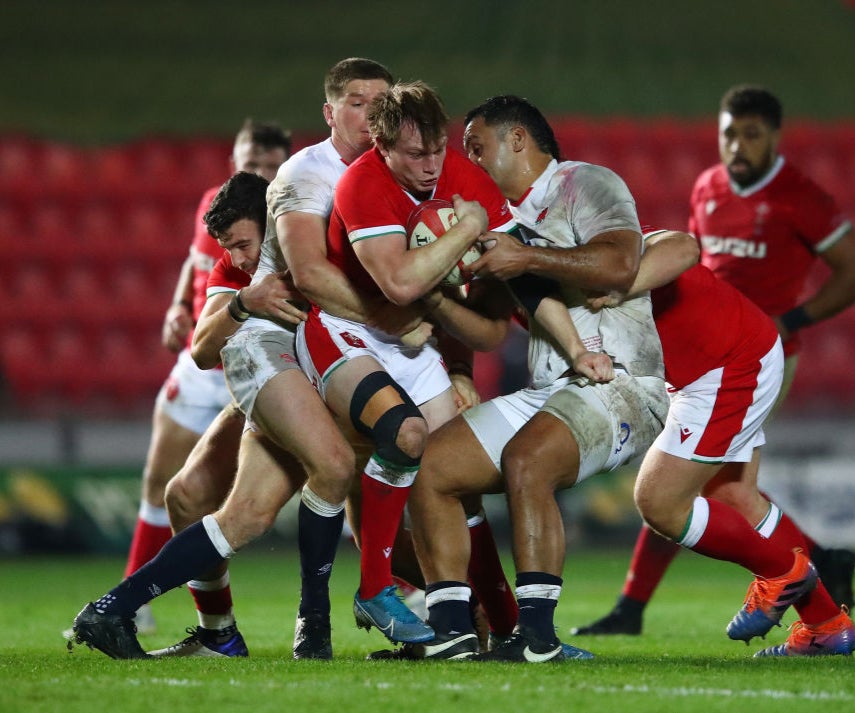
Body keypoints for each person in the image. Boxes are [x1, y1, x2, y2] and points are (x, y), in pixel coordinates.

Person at [70, 58, 399, 660]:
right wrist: (247, 302)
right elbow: (201, 347)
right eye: (232, 250)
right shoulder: (249, 259)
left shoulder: (324, 212)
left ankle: (436, 609)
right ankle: (288, 626)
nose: (242, 259)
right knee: (210, 491)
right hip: (284, 375)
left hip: (336, 373)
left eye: (247, 245)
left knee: (251, 501)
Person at [574, 84, 855, 637]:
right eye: (728, 134)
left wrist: (795, 320)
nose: (737, 145)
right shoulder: (708, 185)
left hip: (753, 353)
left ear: (775, 138)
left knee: (676, 484)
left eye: (751, 135)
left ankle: (785, 571)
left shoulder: (799, 196)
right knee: (722, 488)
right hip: (705, 350)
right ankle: (822, 600)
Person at [401, 95, 669, 662]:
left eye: (476, 146)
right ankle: (452, 631)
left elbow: (620, 265)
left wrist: (527, 259)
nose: (467, 161)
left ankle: (538, 639)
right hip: (551, 389)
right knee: (431, 468)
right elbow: (489, 329)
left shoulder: (586, 184)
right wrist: (437, 310)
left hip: (620, 384)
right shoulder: (501, 222)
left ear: (517, 139)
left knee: (528, 461)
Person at [294, 80, 523, 647]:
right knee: (406, 435)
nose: (429, 167)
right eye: (413, 155)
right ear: (381, 144)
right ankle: (376, 586)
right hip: (349, 329)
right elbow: (398, 284)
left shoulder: (458, 175)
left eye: (436, 151)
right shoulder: (361, 184)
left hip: (416, 341)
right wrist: (468, 229)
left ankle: (503, 622)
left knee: (456, 479)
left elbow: (507, 259)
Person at [122, 119, 291, 634]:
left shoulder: (299, 216)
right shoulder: (214, 208)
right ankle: (142, 599)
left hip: (274, 363)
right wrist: (178, 306)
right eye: (247, 161)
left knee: (339, 478)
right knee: (168, 485)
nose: (255, 170)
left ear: (283, 165)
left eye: (266, 164)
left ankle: (406, 591)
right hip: (213, 357)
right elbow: (198, 264)